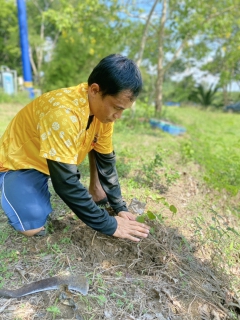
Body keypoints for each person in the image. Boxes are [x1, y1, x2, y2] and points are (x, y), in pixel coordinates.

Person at [0, 54, 150, 242]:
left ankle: (95, 190)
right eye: (116, 107)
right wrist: (110, 224)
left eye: (123, 110)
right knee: (32, 226)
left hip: (52, 161)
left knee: (97, 145)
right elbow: (66, 183)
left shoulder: (103, 115)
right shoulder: (63, 114)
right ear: (95, 90)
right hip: (21, 163)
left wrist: (120, 207)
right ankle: (8, 181)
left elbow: (106, 162)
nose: (118, 116)